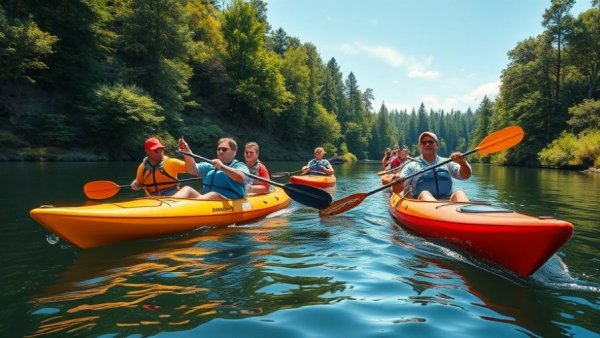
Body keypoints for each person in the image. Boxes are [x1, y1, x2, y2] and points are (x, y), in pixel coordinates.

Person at [394, 131, 471, 202]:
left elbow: (465, 176)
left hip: (447, 205)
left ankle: (468, 215)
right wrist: (397, 181)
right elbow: (397, 190)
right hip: (421, 205)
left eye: (430, 142)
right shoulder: (412, 165)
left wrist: (462, 163)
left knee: (460, 193)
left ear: (436, 145)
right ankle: (438, 213)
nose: (427, 144)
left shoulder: (446, 162)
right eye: (424, 142)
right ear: (420, 146)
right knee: (424, 194)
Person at [173, 137, 249, 200]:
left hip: (229, 201)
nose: (221, 151)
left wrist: (222, 167)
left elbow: (241, 178)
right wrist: (187, 152)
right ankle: (167, 208)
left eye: (224, 149)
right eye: (219, 149)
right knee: (187, 189)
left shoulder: (239, 166)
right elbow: (192, 170)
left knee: (213, 195)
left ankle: (189, 208)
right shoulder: (210, 166)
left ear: (234, 152)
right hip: (207, 200)